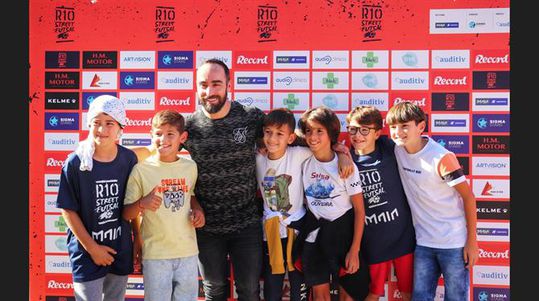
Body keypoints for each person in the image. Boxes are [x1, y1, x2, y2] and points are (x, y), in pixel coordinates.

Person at [133, 58, 266, 300]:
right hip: (205, 227)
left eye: (216, 84)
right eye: (203, 85)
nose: (210, 91)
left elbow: (284, 138)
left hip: (246, 223)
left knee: (249, 291)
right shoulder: (190, 126)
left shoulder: (251, 118)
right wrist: (108, 153)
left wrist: (338, 152)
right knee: (214, 291)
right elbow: (156, 149)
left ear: (228, 84)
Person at [256, 108, 354, 301]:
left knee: (297, 285)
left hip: (298, 228)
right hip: (271, 230)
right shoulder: (258, 158)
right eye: (268, 133)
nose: (272, 139)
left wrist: (342, 151)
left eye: (279, 134)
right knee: (272, 285)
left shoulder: (299, 153)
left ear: (291, 138)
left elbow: (322, 145)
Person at [386, 102, 479, 301]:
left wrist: (472, 241)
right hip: (423, 243)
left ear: (420, 126)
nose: (397, 132)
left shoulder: (442, 158)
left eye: (404, 126)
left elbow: (469, 197)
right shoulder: (397, 150)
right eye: (393, 127)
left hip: (454, 244)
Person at [56, 95, 137, 301]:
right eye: (96, 123)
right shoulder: (76, 163)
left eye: (109, 123)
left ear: (121, 127)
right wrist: (93, 249)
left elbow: (132, 204)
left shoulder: (129, 159)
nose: (102, 130)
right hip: (86, 252)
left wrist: (138, 241)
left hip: (120, 247)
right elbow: (67, 210)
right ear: (88, 125)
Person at [122, 110, 205, 301]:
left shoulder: (190, 167)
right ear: (151, 135)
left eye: (170, 134)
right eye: (158, 133)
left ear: (182, 137)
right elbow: (126, 213)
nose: (163, 139)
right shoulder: (141, 170)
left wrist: (198, 209)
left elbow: (190, 195)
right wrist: (142, 203)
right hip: (155, 254)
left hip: (188, 252)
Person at [295, 106, 369, 301]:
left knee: (349, 296)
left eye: (320, 131)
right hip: (315, 235)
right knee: (320, 297)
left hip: (343, 236)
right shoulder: (303, 158)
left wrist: (354, 250)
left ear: (331, 134)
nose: (313, 137)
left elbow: (360, 211)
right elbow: (284, 136)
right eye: (309, 131)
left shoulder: (346, 165)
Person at [345, 106, 415, 301]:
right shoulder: (346, 160)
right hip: (373, 241)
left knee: (408, 291)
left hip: (403, 237)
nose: (358, 135)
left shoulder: (389, 149)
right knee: (374, 292)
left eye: (365, 130)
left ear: (377, 133)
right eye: (353, 129)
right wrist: (342, 152)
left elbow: (414, 142)